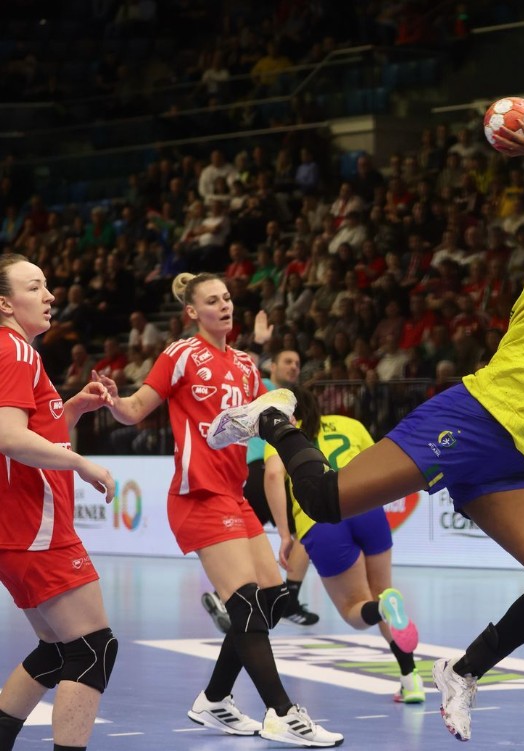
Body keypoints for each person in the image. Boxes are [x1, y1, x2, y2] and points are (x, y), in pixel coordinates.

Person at [204, 123, 524, 743]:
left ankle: (462, 670)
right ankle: (274, 418)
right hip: (467, 423)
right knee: (326, 501)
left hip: (510, 466)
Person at [94, 272, 342, 747]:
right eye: (213, 301)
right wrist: (113, 401)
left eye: (227, 298)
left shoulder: (248, 366)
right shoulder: (180, 354)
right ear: (192, 312)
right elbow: (137, 408)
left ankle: (215, 700)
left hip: (234, 496)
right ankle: (282, 714)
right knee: (245, 602)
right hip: (198, 496)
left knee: (271, 602)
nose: (224, 305)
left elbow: (252, 422)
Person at [0, 254, 118, 751]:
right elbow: (8, 437)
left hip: (18, 530)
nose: (50, 296)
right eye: (36, 287)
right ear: (5, 303)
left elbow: (29, 431)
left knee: (55, 651)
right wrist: (83, 464)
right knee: (94, 650)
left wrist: (70, 410)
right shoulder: (17, 353)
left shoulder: (14, 352)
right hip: (35, 529)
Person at [264, 387, 424, 704]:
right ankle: (411, 680)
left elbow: (272, 476)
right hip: (367, 509)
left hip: (322, 523)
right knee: (384, 592)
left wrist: (285, 534)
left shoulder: (282, 436)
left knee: (355, 611)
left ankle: (382, 607)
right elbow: (379, 462)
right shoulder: (348, 424)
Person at [202, 343, 319, 634]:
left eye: (297, 362)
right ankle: (227, 596)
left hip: (275, 472)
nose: (294, 366)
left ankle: (284, 597)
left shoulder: (292, 400)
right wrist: (261, 343)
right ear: (272, 367)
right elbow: (241, 367)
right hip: (260, 468)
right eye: (288, 360)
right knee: (301, 530)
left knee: (307, 530)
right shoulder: (262, 386)